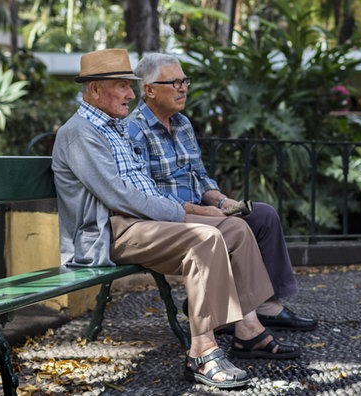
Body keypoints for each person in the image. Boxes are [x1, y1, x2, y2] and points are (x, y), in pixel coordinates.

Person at [51, 48, 301, 389]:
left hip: (141, 221)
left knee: (237, 230)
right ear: (95, 90)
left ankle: (247, 329)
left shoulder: (114, 127)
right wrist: (185, 212)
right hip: (109, 231)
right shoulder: (81, 132)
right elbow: (119, 196)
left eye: (131, 86)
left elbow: (143, 185)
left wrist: (205, 206)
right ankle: (202, 351)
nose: (130, 94)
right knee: (206, 238)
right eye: (123, 87)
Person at [126, 53, 317, 332]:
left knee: (263, 215)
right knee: (233, 227)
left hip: (200, 209)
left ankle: (267, 303)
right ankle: (240, 313)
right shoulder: (134, 129)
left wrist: (222, 200)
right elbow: (147, 195)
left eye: (185, 81)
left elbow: (200, 175)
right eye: (175, 82)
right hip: (168, 218)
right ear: (150, 90)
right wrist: (202, 211)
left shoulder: (182, 124)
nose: (183, 88)